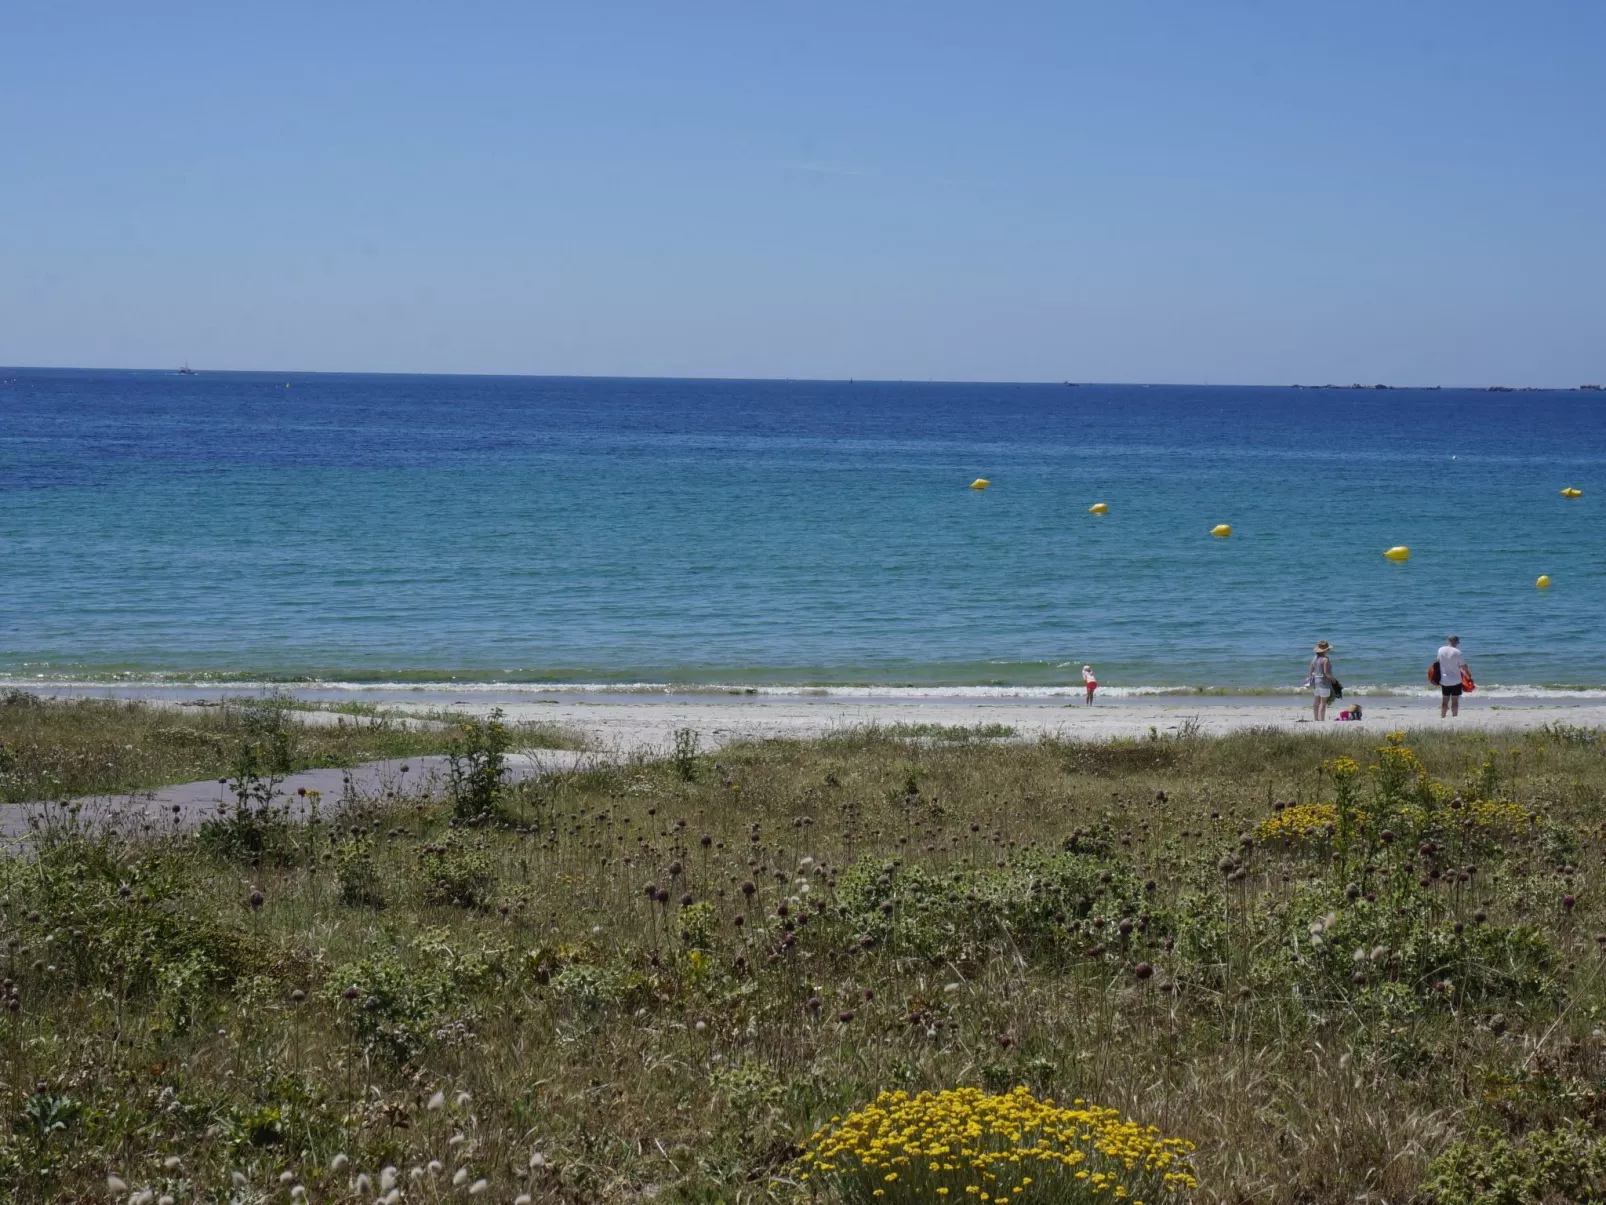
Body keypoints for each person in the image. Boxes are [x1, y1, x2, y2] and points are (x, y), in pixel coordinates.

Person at [1437, 634, 1469, 718]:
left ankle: (1442, 717)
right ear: (1456, 642)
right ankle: (1454, 717)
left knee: (1445, 700)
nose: (1457, 644)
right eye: (1457, 642)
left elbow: (1438, 661)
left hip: (1444, 680)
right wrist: (1468, 675)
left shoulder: (1440, 650)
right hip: (1456, 681)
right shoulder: (1457, 652)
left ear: (1448, 641)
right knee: (1455, 700)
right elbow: (1463, 666)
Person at [1306, 640, 1334, 721]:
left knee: (1316, 701)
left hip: (1316, 681)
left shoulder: (1314, 658)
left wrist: (1309, 679)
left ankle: (1316, 719)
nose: (1329, 650)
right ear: (1325, 650)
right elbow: (1326, 673)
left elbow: (1310, 670)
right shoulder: (1325, 659)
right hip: (1324, 682)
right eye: (1328, 649)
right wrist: (1333, 679)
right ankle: (1322, 720)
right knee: (1323, 702)